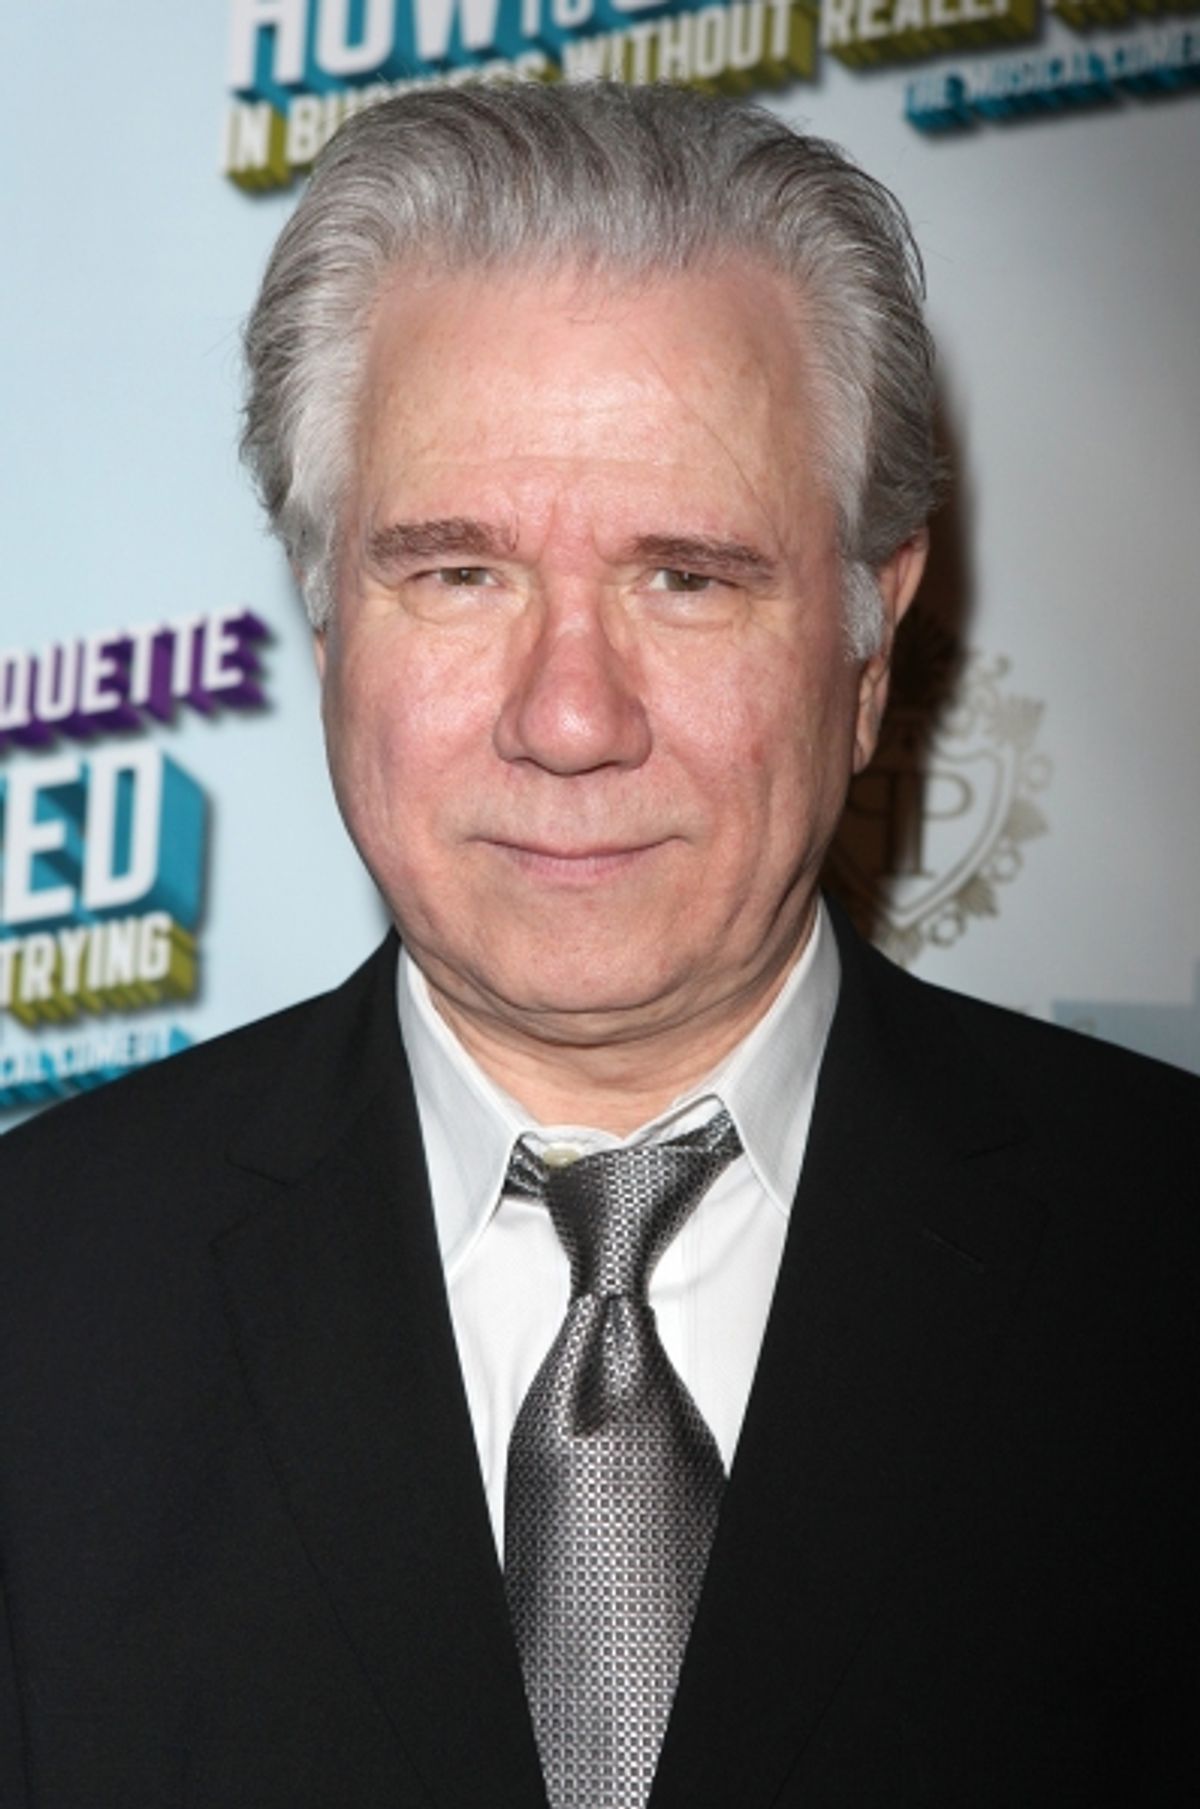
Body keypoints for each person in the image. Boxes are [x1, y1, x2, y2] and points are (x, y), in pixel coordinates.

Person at [0, 82, 1195, 1809]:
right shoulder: (37, 1316)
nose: (571, 718)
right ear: (325, 608)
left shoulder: (1163, 1269)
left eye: (689, 578)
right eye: (460, 572)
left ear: (872, 642)